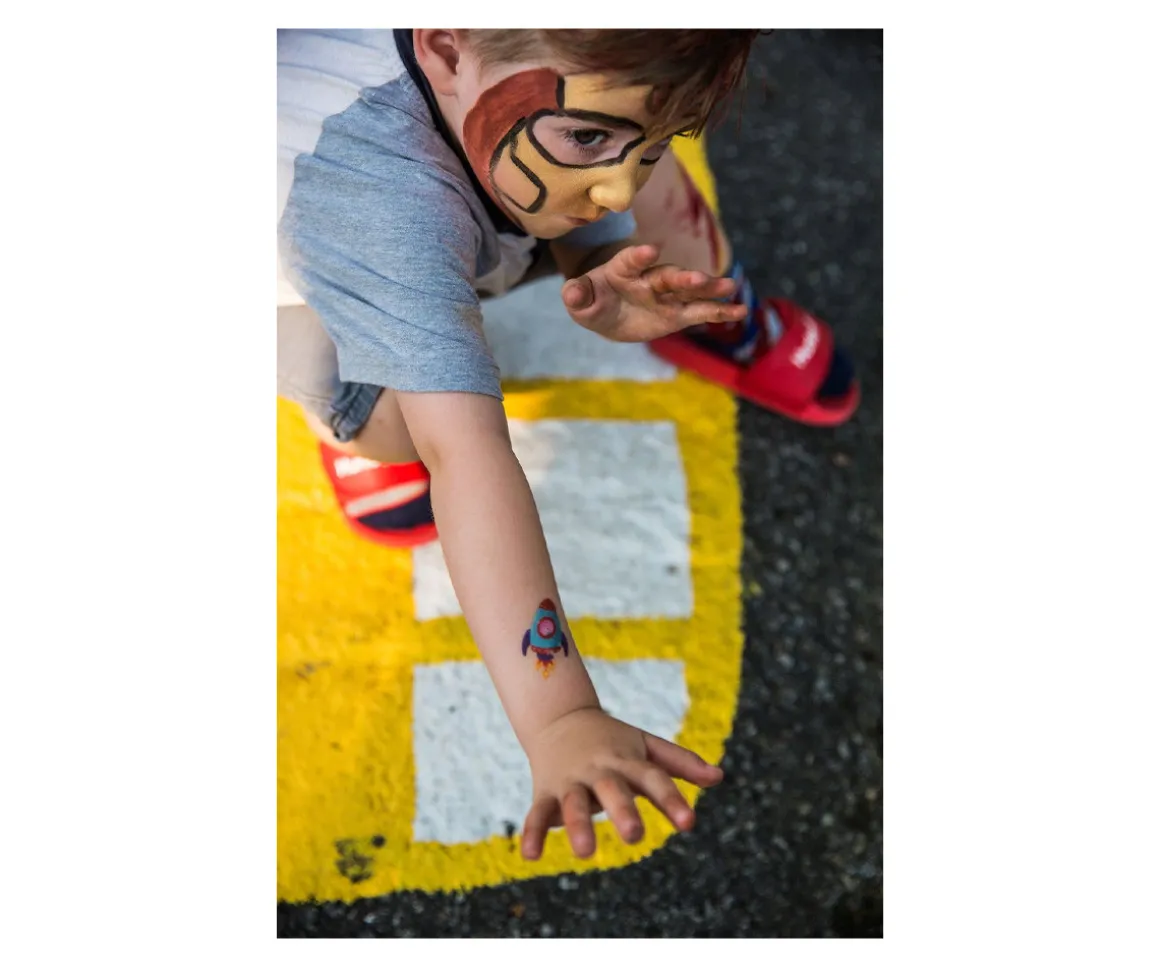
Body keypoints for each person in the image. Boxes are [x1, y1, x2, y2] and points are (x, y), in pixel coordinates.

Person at [277, 28, 859, 862]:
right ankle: (362, 400)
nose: (618, 183)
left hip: (475, 166)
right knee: (423, 427)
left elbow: (601, 149)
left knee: (644, 181)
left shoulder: (516, 73)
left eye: (650, 146)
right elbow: (470, 459)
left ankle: (712, 304)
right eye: (589, 138)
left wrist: (602, 259)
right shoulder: (383, 206)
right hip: (311, 285)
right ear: (445, 48)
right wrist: (560, 715)